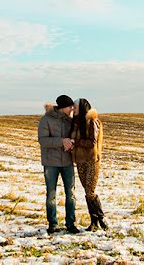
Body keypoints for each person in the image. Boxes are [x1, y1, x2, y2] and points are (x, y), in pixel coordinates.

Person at [37, 94, 80, 234]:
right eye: (70, 107)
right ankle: (53, 224)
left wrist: (72, 143)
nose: (72, 110)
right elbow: (43, 140)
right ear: (63, 108)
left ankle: (71, 224)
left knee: (71, 194)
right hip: (50, 163)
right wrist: (62, 141)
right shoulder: (46, 120)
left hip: (67, 162)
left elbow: (74, 137)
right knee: (51, 194)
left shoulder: (71, 121)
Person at [71, 97, 108, 231]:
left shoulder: (93, 121)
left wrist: (76, 142)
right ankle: (94, 223)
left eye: (75, 108)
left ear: (81, 108)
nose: (73, 110)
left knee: (90, 191)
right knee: (87, 193)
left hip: (92, 161)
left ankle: (101, 219)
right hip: (80, 161)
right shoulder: (76, 122)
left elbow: (92, 142)